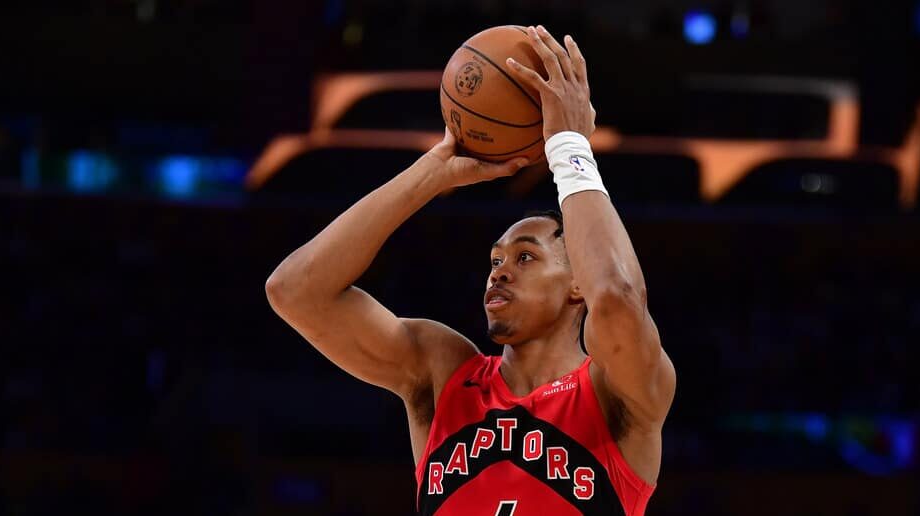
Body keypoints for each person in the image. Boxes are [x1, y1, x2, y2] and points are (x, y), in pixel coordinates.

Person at [265, 25, 675, 516]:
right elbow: (294, 291)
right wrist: (433, 172)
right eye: (495, 260)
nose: (499, 272)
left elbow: (617, 296)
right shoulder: (443, 374)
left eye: (525, 257)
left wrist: (569, 148)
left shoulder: (618, 394)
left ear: (576, 286)